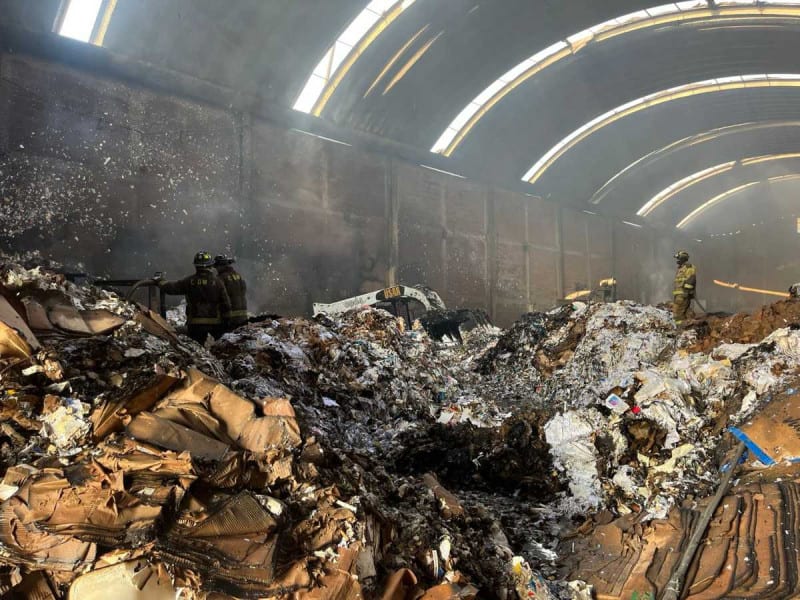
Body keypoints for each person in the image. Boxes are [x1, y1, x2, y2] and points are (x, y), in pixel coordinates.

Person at [158, 251, 231, 343]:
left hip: (195, 325)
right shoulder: (218, 282)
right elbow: (226, 305)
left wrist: (160, 281)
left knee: (197, 348)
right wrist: (226, 323)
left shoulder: (189, 281)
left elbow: (171, 289)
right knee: (217, 347)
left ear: (196, 266)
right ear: (210, 266)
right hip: (215, 325)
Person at [214, 254, 248, 332]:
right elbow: (243, 291)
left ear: (221, 266)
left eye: (217, 266)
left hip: (230, 318)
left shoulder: (221, 278)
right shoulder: (238, 276)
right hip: (243, 317)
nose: (216, 269)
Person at [672, 250, 696, 325]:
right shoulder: (680, 269)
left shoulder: (689, 267)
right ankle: (688, 327)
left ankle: (681, 328)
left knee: (677, 315)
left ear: (682, 258)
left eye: (678, 258)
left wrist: (686, 292)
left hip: (683, 295)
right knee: (682, 314)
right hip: (679, 295)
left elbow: (691, 280)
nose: (677, 260)